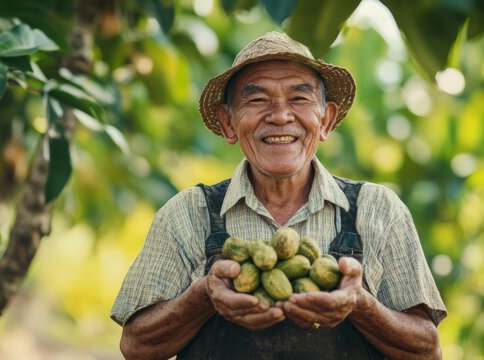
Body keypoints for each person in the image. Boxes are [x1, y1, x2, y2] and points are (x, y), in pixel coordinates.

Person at [111, 31, 447, 359]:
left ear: (326, 120)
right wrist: (203, 295)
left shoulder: (378, 210)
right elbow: (136, 347)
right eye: (257, 100)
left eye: (299, 98)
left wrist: (360, 304)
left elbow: (426, 350)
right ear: (228, 123)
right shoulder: (188, 213)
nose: (280, 116)